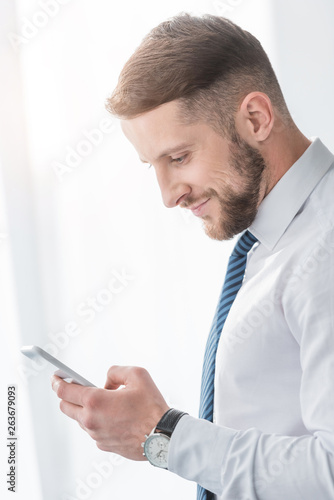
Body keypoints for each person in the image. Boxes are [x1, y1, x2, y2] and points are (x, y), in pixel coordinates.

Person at [51, 13, 334, 499]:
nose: (167, 195)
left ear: (255, 119)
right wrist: (160, 433)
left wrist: (163, 434)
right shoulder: (267, 242)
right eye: (152, 167)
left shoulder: (325, 246)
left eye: (178, 157)